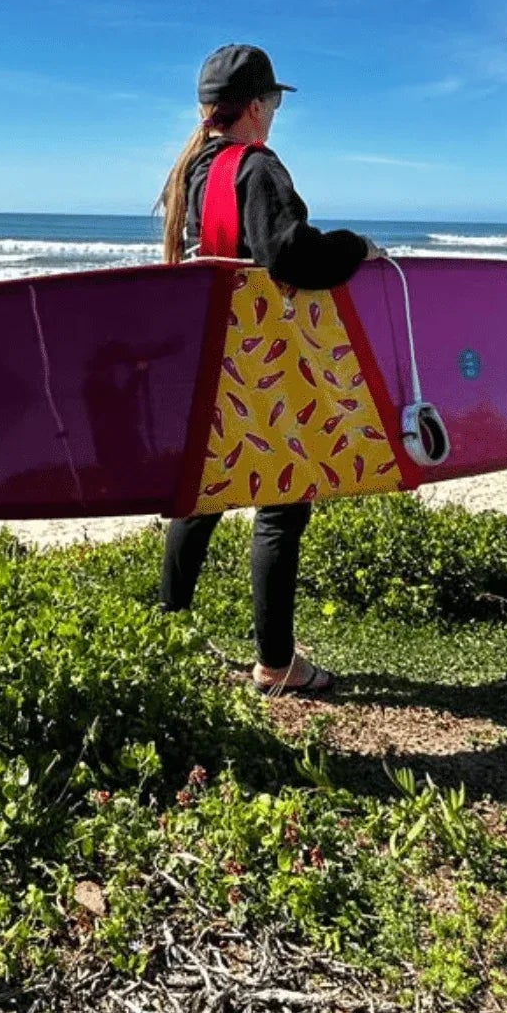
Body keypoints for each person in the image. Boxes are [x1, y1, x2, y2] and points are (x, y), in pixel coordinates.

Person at [155, 43, 379, 698]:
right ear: (255, 105)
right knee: (282, 501)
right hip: (260, 358)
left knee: (199, 496)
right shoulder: (255, 167)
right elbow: (291, 257)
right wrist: (355, 247)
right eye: (273, 101)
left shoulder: (190, 173)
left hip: (205, 356)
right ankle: (276, 664)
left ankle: (166, 636)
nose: (274, 113)